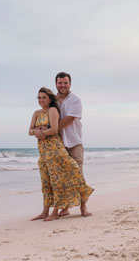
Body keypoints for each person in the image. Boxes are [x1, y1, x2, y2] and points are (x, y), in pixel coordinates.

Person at [29, 87, 94, 221]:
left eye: (44, 98)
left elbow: (54, 129)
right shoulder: (36, 113)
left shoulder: (53, 110)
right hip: (43, 151)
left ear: (49, 99)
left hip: (55, 149)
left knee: (59, 180)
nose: (41, 100)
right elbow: (29, 131)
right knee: (46, 181)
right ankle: (45, 211)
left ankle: (56, 211)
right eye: (39, 98)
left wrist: (41, 132)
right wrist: (35, 132)